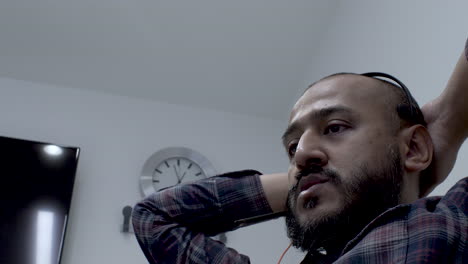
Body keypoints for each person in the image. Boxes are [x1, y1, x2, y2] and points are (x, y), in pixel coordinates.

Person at [132, 39, 468, 263]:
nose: (301, 154)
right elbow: (153, 217)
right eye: (293, 147)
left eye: (335, 127)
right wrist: (303, 179)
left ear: (413, 148)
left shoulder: (450, 225)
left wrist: (451, 119)